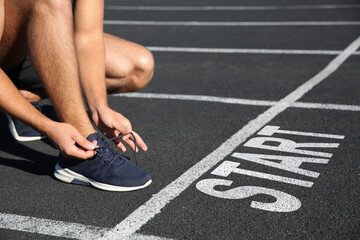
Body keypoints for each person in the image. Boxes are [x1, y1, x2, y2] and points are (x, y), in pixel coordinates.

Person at [0, 0, 154, 191]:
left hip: (33, 44)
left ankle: (19, 103)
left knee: (137, 66)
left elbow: (88, 38)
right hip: (5, 52)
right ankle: (82, 149)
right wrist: (47, 126)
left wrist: (99, 107)